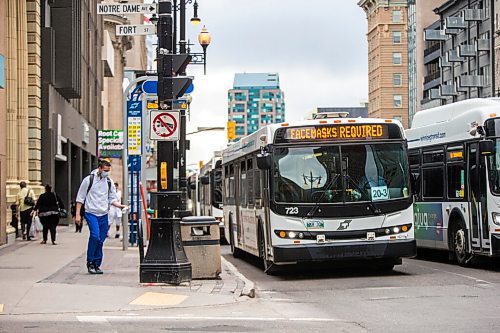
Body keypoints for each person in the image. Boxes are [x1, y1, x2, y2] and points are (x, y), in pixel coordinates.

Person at [75, 159, 127, 275]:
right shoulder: (89, 180)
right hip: (91, 213)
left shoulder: (109, 182)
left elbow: (112, 198)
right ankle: (90, 262)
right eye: (105, 170)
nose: (106, 173)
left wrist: (119, 205)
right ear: (99, 168)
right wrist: (78, 214)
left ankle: (97, 264)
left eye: (108, 171)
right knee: (95, 236)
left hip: (103, 214)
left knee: (101, 240)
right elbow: (80, 198)